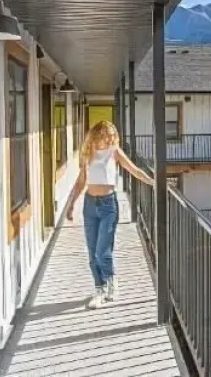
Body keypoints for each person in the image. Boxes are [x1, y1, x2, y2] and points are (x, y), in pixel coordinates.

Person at [68, 120, 154, 309]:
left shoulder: (114, 151)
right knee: (92, 253)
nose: (110, 138)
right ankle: (99, 289)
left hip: (108, 206)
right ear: (98, 134)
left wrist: (154, 183)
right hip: (90, 206)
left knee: (102, 251)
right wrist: (71, 204)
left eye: (112, 135)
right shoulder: (88, 153)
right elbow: (81, 181)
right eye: (107, 135)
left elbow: (135, 170)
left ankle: (111, 281)